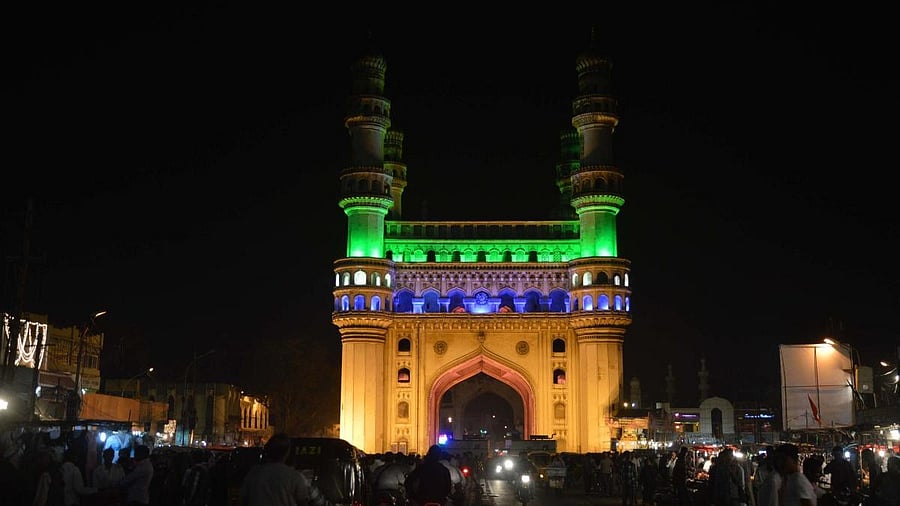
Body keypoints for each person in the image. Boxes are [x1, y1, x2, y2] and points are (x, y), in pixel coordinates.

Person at [239, 433, 328, 506]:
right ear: (287, 453)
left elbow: (244, 500)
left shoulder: (253, 474)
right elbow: (304, 501)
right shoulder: (294, 477)